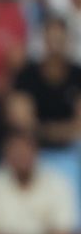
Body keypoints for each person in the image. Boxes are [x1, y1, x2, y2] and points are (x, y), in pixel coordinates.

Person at [14, 17, 81, 148]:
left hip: (73, 145)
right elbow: (21, 118)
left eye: (59, 40)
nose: (55, 45)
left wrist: (55, 132)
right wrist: (48, 132)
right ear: (43, 41)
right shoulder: (27, 74)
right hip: (34, 145)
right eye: (51, 39)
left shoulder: (78, 75)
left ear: (68, 41)